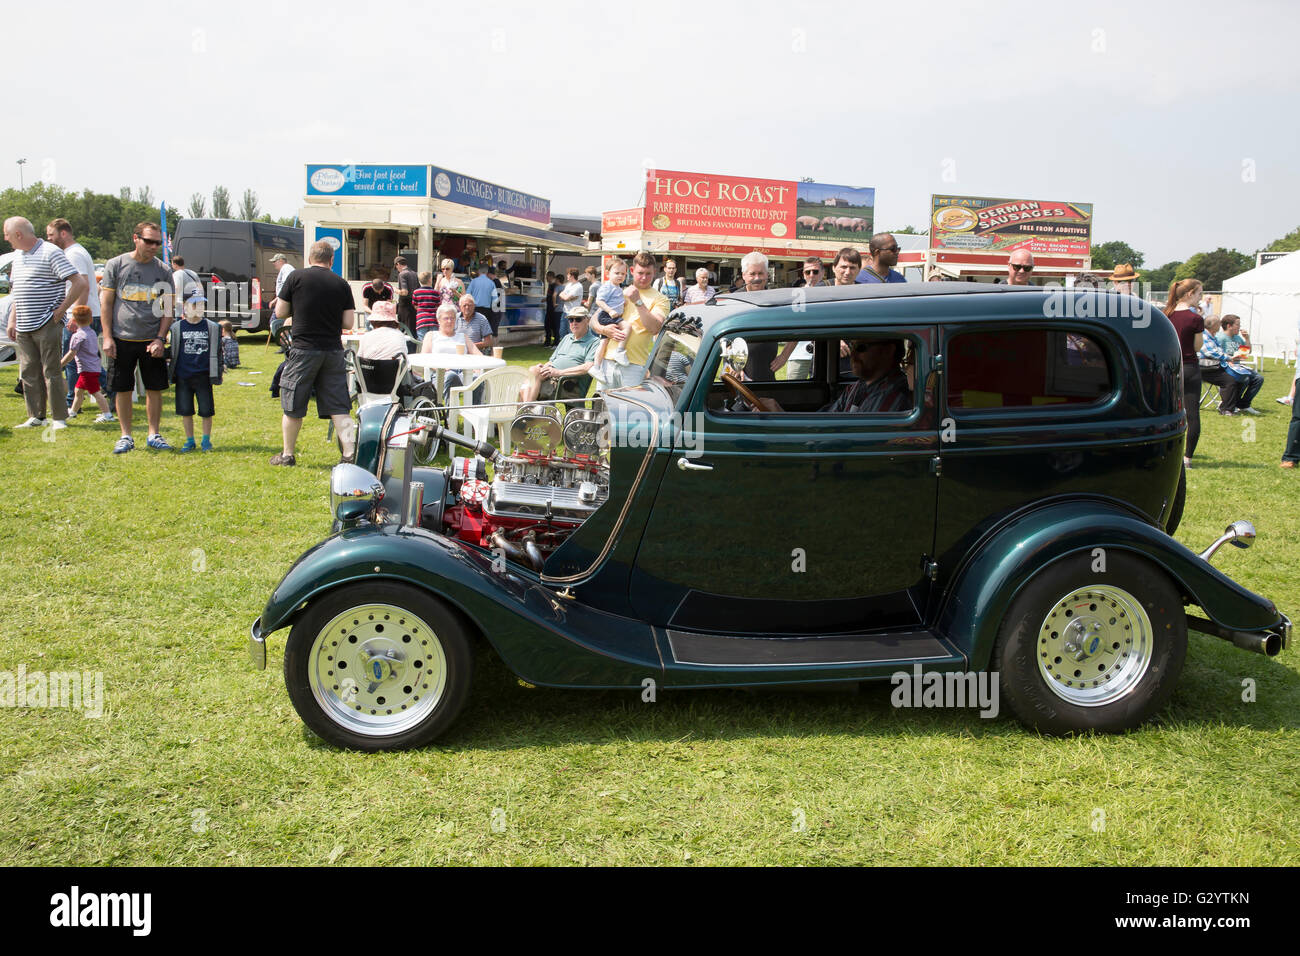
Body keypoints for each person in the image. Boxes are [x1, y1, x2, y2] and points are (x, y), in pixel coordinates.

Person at [272, 239, 357, 466]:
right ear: (331, 260)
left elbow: (280, 312)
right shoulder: (342, 284)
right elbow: (348, 322)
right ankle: (349, 455)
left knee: (293, 405)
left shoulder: (295, 277)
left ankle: (288, 455)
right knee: (339, 406)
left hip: (303, 349)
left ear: (310, 259)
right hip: (332, 350)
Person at [3, 217, 85, 429]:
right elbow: (16, 291)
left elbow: (79, 282)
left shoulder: (50, 251)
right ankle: (36, 416)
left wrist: (60, 312)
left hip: (46, 323)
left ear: (19, 234)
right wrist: (13, 319)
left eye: (7, 234)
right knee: (28, 372)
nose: (5, 238)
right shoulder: (18, 257)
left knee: (51, 371)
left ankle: (59, 418)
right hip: (23, 325)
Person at [99, 221, 174, 452]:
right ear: (136, 238)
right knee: (123, 388)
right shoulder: (116, 265)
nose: (153, 246)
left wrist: (160, 338)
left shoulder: (163, 270)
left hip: (151, 340)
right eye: (148, 241)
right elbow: (107, 303)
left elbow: (168, 308)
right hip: (121, 339)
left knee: (154, 388)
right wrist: (108, 337)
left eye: (157, 243)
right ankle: (126, 436)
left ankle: (154, 434)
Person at [757, 338, 911, 414]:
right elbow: (826, 420)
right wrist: (780, 413)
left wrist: (781, 417)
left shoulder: (891, 397)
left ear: (888, 351)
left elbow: (850, 441)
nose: (853, 354)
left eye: (861, 347)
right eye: (852, 347)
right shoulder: (858, 387)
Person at [46, 218, 102, 410]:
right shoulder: (76, 252)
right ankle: (106, 391)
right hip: (87, 314)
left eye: (51, 235)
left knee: (73, 360)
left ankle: (72, 403)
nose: (49, 239)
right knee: (87, 360)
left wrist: (75, 317)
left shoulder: (74, 254)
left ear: (63, 233)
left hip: (82, 315)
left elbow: (83, 286)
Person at [591, 252, 669, 388]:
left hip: (634, 364)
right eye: (640, 273)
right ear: (632, 271)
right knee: (604, 407)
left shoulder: (661, 299)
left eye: (648, 273)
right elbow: (593, 320)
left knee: (629, 408)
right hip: (607, 361)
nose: (644, 278)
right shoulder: (617, 290)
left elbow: (655, 328)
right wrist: (604, 329)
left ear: (655, 272)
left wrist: (638, 301)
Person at [168, 291, 224, 452]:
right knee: (186, 411)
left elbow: (218, 352)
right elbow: (172, 350)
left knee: (206, 410)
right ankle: (189, 440)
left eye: (201, 304)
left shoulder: (212, 327)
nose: (198, 308)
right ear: (184, 307)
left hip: (204, 376)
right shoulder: (177, 328)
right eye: (194, 304)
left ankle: (206, 440)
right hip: (183, 376)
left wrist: (218, 371)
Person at [1165, 278, 1205, 468]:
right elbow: (1198, 346)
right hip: (1189, 366)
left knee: (1167, 410)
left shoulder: (1166, 314)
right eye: (1199, 294)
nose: (1201, 298)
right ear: (1190, 294)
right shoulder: (1195, 318)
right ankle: (1187, 457)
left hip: (1170, 366)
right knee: (1192, 414)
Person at [519, 308, 601, 403]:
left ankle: (526, 410)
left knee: (523, 389)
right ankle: (527, 410)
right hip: (552, 377)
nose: (574, 323)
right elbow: (552, 360)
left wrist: (559, 372)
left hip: (568, 383)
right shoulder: (567, 338)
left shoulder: (594, 342)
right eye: (571, 320)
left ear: (588, 320)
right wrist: (545, 367)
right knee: (533, 370)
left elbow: (587, 367)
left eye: (578, 319)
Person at [771, 258, 824, 377]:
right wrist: (784, 355)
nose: (811, 275)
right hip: (799, 354)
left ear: (822, 273)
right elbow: (793, 327)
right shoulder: (796, 295)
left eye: (815, 272)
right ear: (803, 274)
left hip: (824, 355)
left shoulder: (829, 294)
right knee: (794, 392)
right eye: (807, 272)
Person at [59, 305, 113, 422]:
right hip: (93, 367)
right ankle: (73, 412)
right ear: (91, 319)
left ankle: (107, 415)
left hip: (86, 369)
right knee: (78, 391)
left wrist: (60, 364)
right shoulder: (92, 332)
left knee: (95, 393)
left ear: (73, 320)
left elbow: (71, 354)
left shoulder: (77, 336)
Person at [732, 251, 777, 382]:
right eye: (752, 274)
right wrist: (735, 364)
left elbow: (797, 326)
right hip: (739, 372)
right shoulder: (733, 301)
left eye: (761, 273)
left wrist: (784, 356)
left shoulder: (776, 300)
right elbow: (723, 337)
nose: (757, 277)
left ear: (767, 275)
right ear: (744, 275)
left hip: (767, 372)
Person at [421, 302, 481, 400]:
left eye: (452, 318)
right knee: (451, 376)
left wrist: (478, 368)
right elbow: (424, 358)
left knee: (476, 378)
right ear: (439, 320)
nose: (449, 321)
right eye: (446, 318)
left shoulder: (462, 336)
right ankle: (450, 414)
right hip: (440, 374)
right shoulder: (432, 335)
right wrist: (441, 368)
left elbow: (478, 354)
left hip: (463, 371)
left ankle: (475, 411)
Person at [1205, 315, 1263, 414]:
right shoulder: (1220, 338)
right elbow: (1215, 355)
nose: (1239, 327)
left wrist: (1247, 339)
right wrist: (1229, 360)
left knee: (1258, 378)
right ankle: (1231, 403)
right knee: (1244, 378)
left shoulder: (1238, 338)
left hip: (1238, 366)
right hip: (1225, 366)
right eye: (1237, 324)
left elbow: (1246, 352)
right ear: (1229, 326)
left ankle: (1243, 404)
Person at [467, 262, 497, 330]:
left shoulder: (473, 281)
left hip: (475, 309)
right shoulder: (492, 283)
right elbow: (495, 299)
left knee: (474, 330)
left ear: (478, 271)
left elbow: (467, 295)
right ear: (487, 272)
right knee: (484, 331)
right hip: (487, 311)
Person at [412, 271, 439, 338]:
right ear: (430, 280)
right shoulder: (435, 293)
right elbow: (438, 306)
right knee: (433, 342)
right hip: (433, 320)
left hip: (421, 320)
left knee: (423, 343)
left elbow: (415, 305)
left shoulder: (416, 292)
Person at [558, 267, 585, 333]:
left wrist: (566, 298)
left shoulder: (578, 286)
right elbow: (561, 295)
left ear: (572, 276)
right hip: (565, 312)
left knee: (571, 333)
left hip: (573, 313)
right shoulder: (568, 285)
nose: (567, 276)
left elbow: (566, 298)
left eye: (568, 274)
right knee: (562, 332)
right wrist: (567, 298)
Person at [270, 252, 295, 317]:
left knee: (274, 321)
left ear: (281, 260)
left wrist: (276, 299)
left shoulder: (286, 267)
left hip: (285, 301)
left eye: (275, 261)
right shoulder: (287, 268)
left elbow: (286, 284)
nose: (273, 263)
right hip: (285, 300)